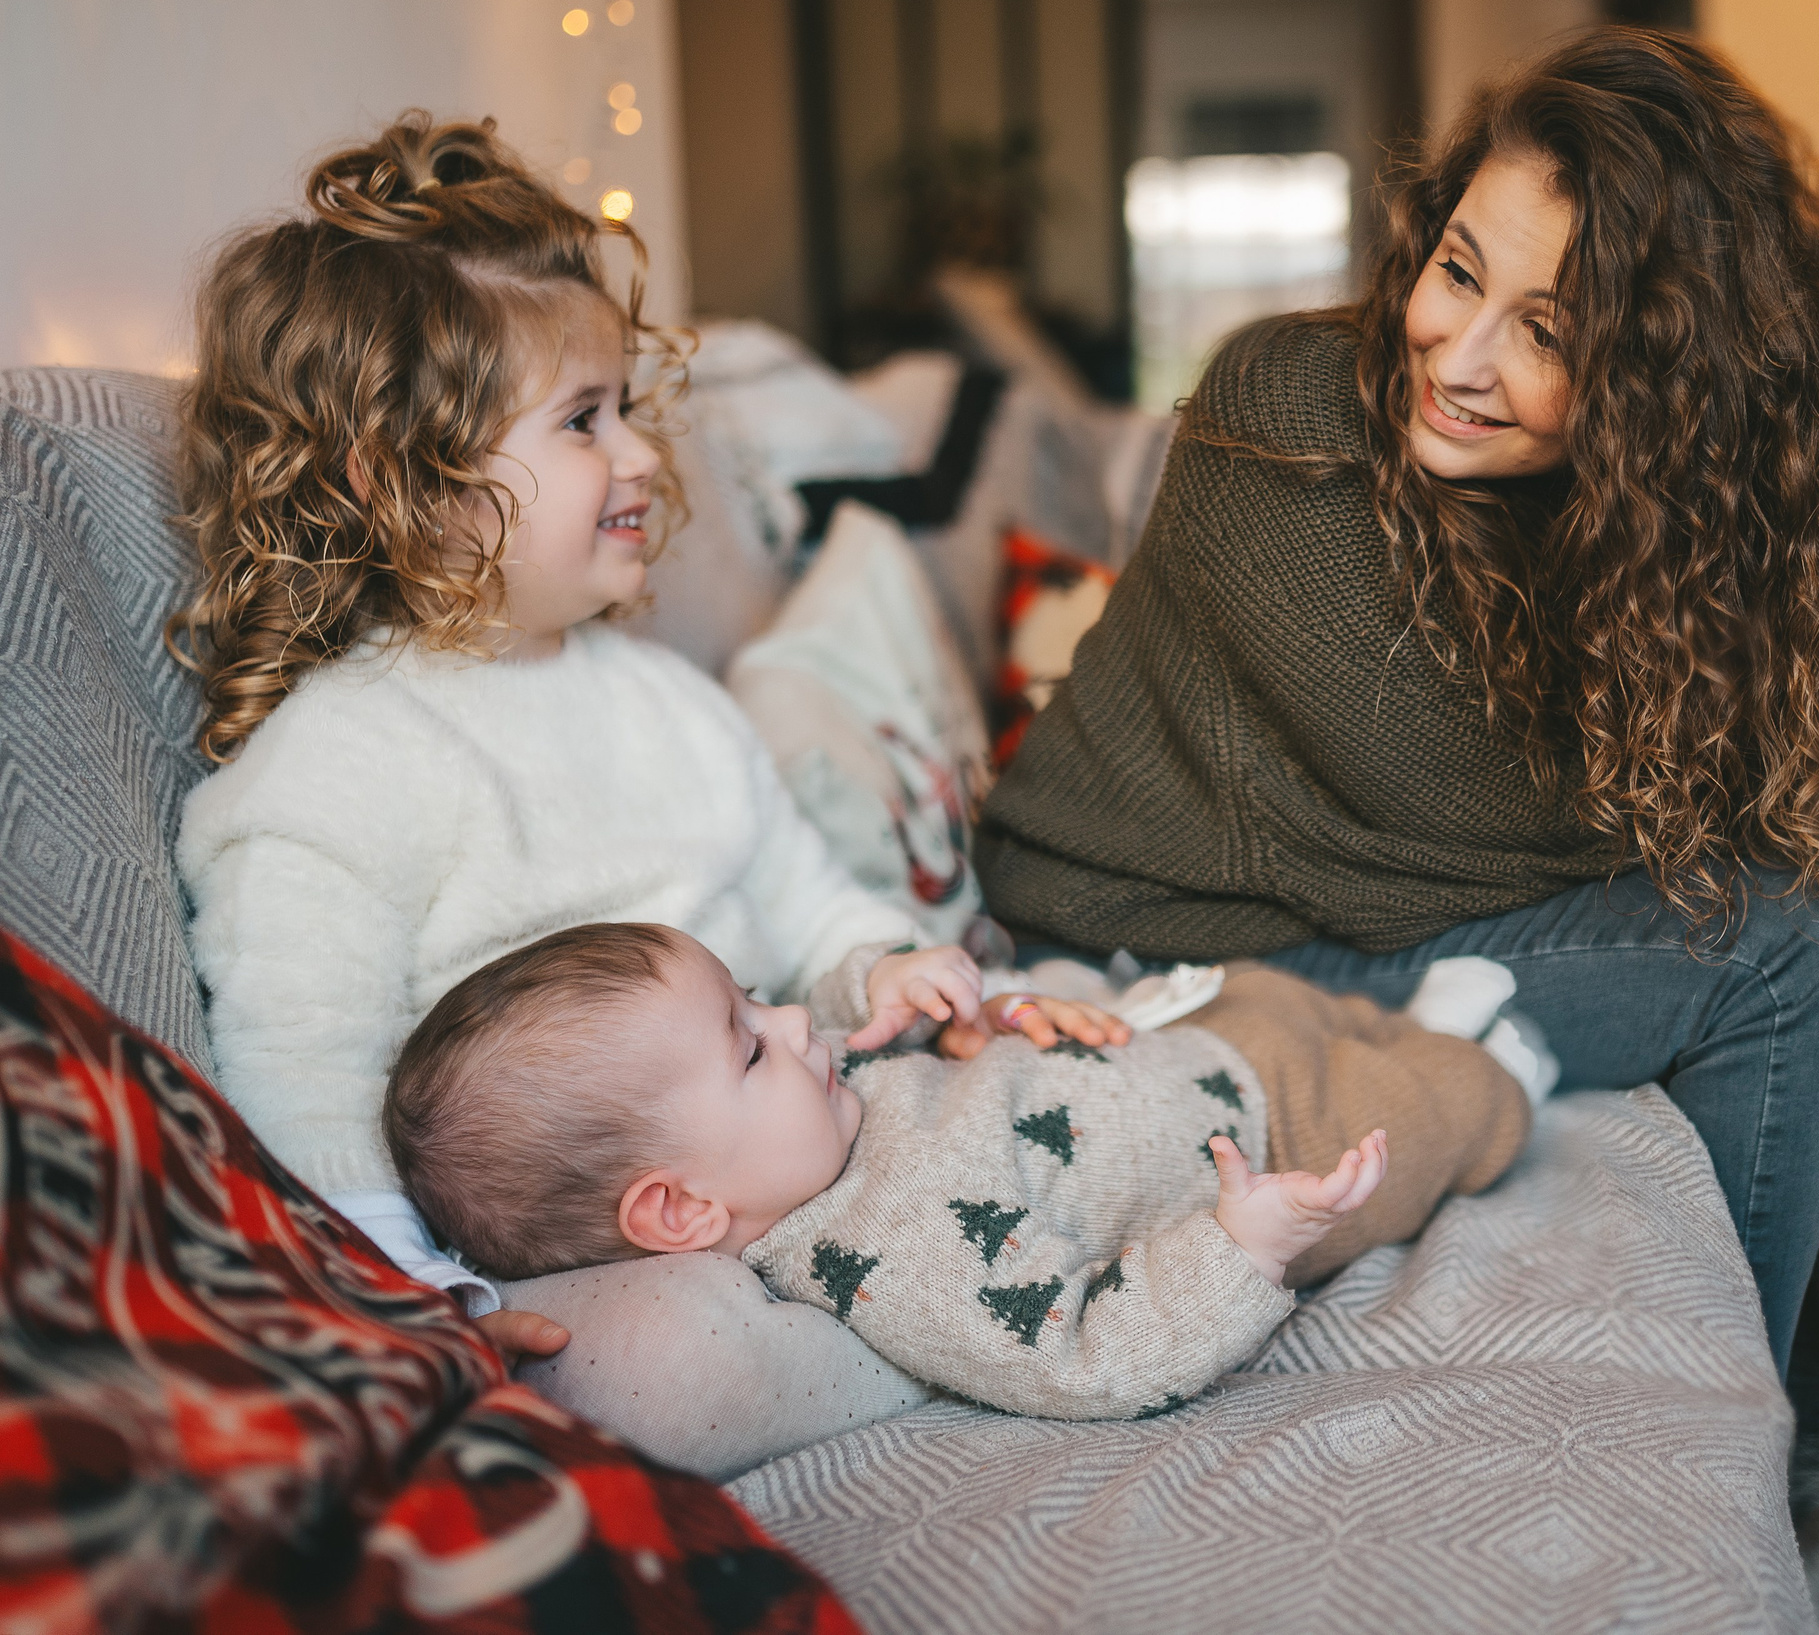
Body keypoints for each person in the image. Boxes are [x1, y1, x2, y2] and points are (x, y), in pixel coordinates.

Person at [979, 29, 1819, 1447]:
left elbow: (1678, 824)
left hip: (1389, 892)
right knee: (1785, 946)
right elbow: (1442, 810)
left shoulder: (1629, 516)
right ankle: (1746, 1446)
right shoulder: (1287, 409)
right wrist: (1809, 857)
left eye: (1551, 335)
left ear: (1664, 394)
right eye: (1458, 271)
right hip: (1180, 932)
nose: (1463, 356)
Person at [169, 114, 1120, 1357]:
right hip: (612, 1248)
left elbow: (804, 897)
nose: (637, 453)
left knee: (1067, 1056)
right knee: (661, 1359)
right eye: (581, 420)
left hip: (790, 1141)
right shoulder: (338, 765)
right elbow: (305, 1071)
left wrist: (881, 968)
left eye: (626, 406)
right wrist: (408, 1300)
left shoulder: (663, 698)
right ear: (399, 476)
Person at [382, 923, 1533, 1420]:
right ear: (683, 1207)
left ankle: (1407, 1018)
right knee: (1436, 1118)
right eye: (746, 1040)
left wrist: (891, 977)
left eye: (751, 998)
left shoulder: (798, 1123)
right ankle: (1482, 1061)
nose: (787, 1019)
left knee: (1271, 989)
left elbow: (833, 999)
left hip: (1163, 1035)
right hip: (1258, 1145)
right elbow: (1091, 1357)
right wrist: (1246, 1243)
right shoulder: (890, 1259)